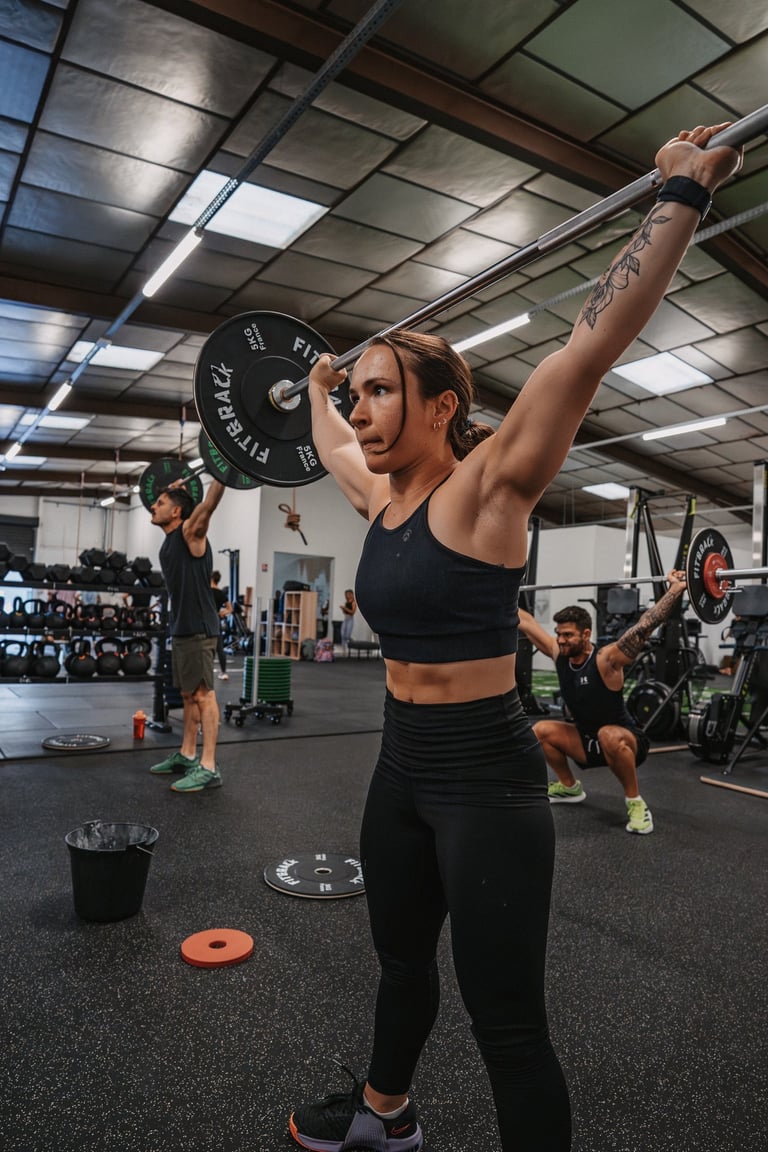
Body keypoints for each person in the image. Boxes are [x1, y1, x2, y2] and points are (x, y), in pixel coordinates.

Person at [286, 125, 741, 1152]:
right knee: (401, 963)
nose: (361, 410)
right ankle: (384, 1116)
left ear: (444, 407)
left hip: (487, 779)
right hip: (399, 765)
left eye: (378, 390)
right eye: (357, 394)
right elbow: (325, 440)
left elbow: (590, 345)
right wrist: (315, 387)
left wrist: (677, 197)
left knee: (509, 1024)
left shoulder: (489, 489)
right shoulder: (382, 498)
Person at [517, 570, 688, 835]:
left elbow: (645, 626)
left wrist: (675, 589)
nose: (561, 640)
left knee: (608, 734)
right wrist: (497, 583)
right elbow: (525, 621)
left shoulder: (606, 659)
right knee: (541, 731)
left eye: (568, 635)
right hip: (587, 739)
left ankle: (635, 802)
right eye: (559, 634)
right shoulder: (559, 654)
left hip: (625, 739)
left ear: (586, 635)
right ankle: (569, 787)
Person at [148, 477, 226, 793]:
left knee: (203, 695)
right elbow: (170, 502)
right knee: (186, 695)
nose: (154, 506)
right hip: (181, 627)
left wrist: (224, 466)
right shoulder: (169, 538)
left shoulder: (191, 532)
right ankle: (187, 753)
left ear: (177, 512)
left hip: (198, 628)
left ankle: (208, 767)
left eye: (161, 503)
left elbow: (209, 503)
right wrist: (174, 488)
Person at [210, 569, 233, 679]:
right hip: (216, 621)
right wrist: (222, 612)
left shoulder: (206, 591)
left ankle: (206, 673)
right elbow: (230, 609)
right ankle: (224, 673)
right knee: (219, 648)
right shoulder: (221, 593)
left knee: (205, 648)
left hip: (205, 622)